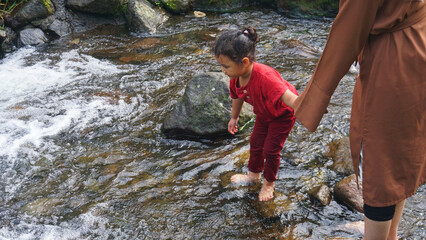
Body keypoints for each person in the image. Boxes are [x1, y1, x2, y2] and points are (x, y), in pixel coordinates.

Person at [290, 0, 425, 239]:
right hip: (417, 44)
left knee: (378, 164)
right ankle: (390, 233)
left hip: (392, 65)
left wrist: (310, 103)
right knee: (399, 157)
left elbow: (346, 35)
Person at [213, 26, 299, 202]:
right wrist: (234, 117)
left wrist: (309, 107)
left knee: (271, 150)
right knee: (256, 142)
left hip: (283, 114)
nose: (223, 70)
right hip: (264, 113)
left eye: (226, 66)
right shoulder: (235, 77)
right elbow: (237, 97)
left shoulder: (266, 77)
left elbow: (290, 99)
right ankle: (254, 175)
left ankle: (269, 184)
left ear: (244, 62)